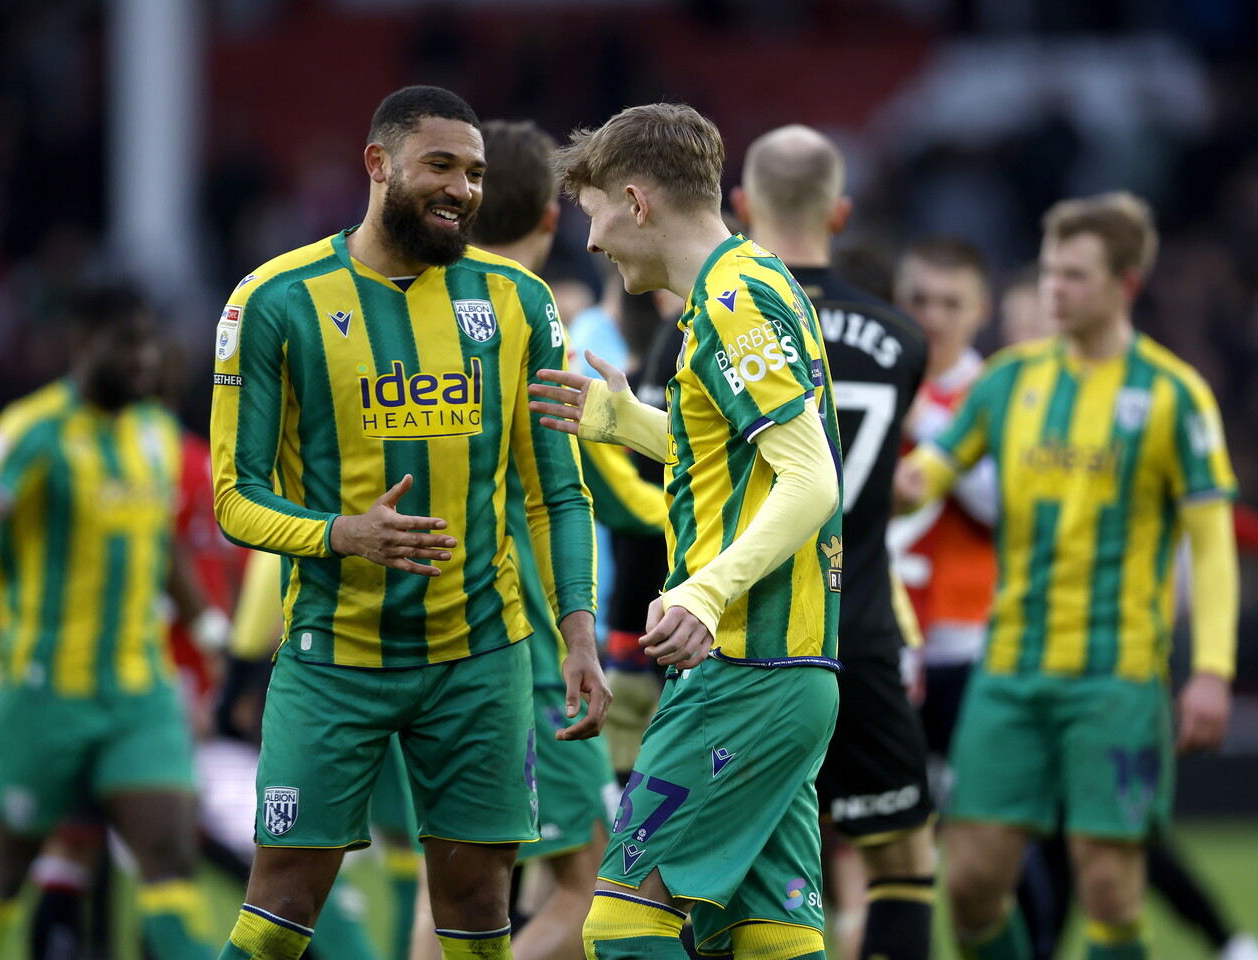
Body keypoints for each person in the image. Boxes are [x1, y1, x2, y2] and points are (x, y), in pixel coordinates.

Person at [209, 86, 607, 960]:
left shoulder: (517, 301)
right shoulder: (273, 301)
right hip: (334, 658)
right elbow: (233, 499)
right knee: (280, 910)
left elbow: (556, 491)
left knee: (475, 906)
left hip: (482, 659)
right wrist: (338, 533)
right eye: (441, 166)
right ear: (377, 164)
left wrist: (577, 632)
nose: (463, 188)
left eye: (473, 173)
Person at [528, 102, 844, 960]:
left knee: (624, 925)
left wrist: (706, 591)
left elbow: (813, 477)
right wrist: (629, 422)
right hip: (789, 667)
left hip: (745, 665)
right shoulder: (750, 284)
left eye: (592, 213)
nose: (589, 243)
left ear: (634, 201)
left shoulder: (735, 301)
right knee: (769, 938)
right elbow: (743, 462)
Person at [895, 192, 1240, 960]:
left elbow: (1213, 544)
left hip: (1114, 677)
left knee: (1111, 888)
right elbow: (921, 482)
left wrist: (1212, 670)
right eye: (1050, 272)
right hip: (1009, 670)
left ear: (1126, 284)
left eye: (1074, 276)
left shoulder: (1173, 395)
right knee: (972, 887)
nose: (1054, 290)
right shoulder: (1008, 382)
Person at [405, 117, 626, 960]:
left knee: (462, 875)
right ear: (550, 221)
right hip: (525, 641)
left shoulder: (415, 310)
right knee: (596, 884)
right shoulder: (531, 324)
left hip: (425, 636)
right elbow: (578, 492)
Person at [732, 124, 935, 960]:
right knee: (901, 862)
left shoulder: (721, 325)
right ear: (841, 212)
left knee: (733, 866)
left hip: (749, 634)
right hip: (863, 630)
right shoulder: (903, 340)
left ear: (741, 208)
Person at [0, 285, 217, 959]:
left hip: (138, 689)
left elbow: (161, 540)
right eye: (127, 344)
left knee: (169, 853)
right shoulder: (31, 430)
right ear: (84, 345)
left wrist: (207, 632)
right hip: (42, 688)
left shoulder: (154, 434)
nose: (145, 359)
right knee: (9, 867)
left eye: (149, 342)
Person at [889, 237, 998, 772]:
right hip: (881, 626)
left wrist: (926, 423)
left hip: (964, 634)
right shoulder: (875, 378)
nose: (933, 316)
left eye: (951, 303)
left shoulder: (998, 390)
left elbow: (998, 502)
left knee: (971, 816)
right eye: (919, 299)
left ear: (981, 311)